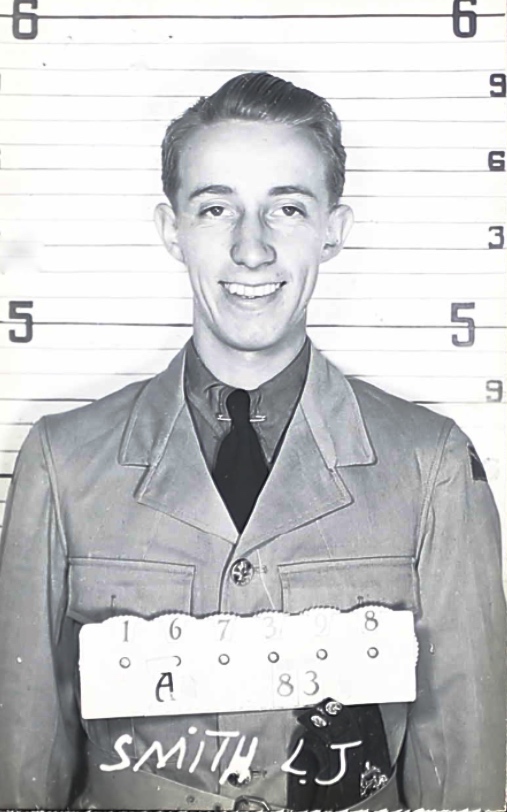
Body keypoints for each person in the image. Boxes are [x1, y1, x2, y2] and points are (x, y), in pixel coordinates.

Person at [0, 72, 505, 811]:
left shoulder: (431, 466)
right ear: (171, 228)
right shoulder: (62, 462)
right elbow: (21, 766)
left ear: (333, 229)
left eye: (287, 209)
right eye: (216, 208)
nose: (251, 248)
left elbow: (466, 774)